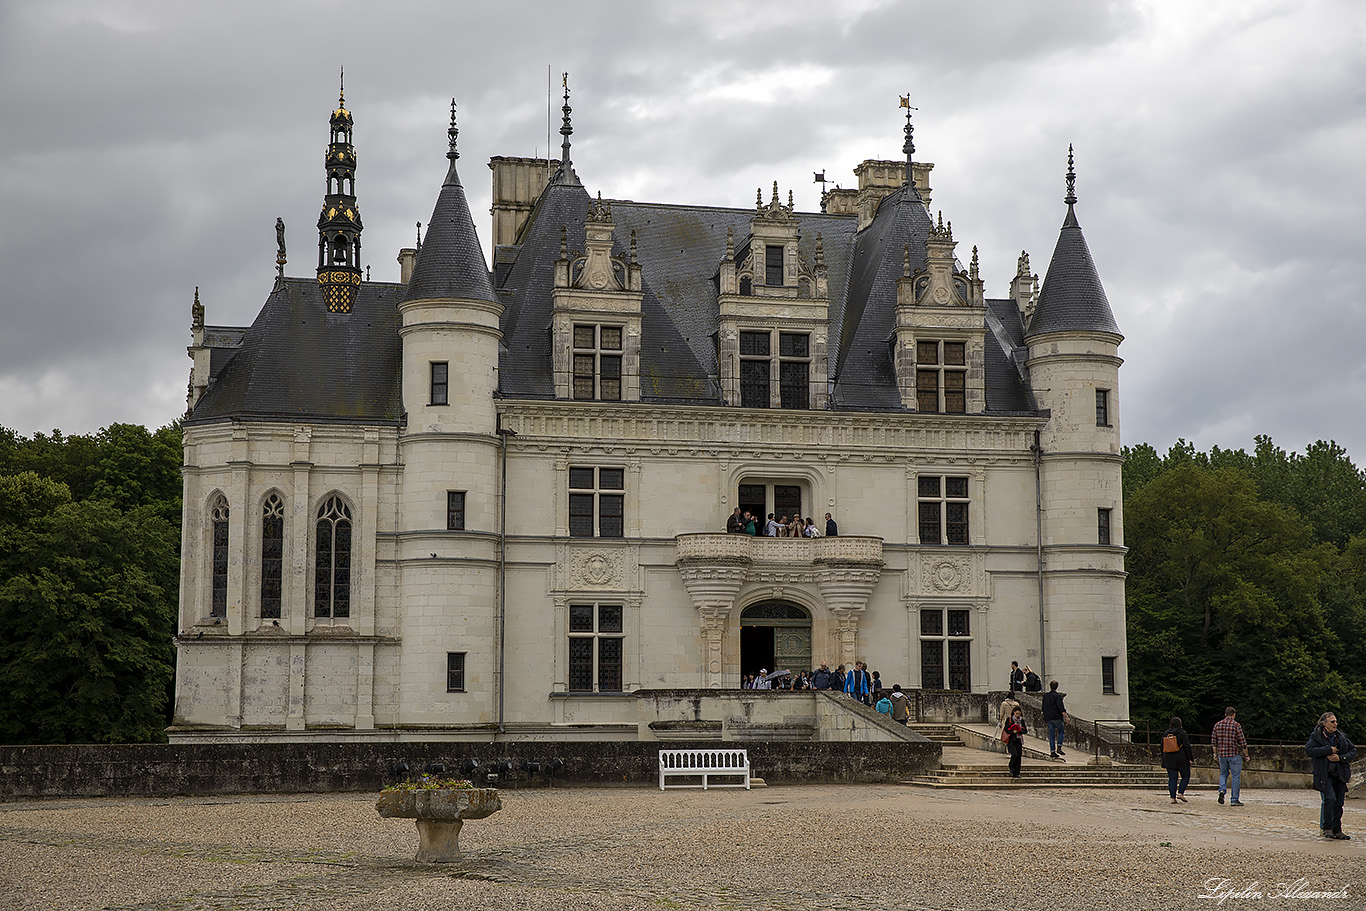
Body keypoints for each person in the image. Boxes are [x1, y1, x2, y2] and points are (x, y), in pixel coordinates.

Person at [1306, 712, 1356, 839]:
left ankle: (1337, 829)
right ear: (1324, 724)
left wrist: (1340, 758)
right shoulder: (1316, 736)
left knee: (1339, 802)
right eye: (1332, 722)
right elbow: (1309, 750)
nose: (1335, 724)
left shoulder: (1341, 737)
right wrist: (1329, 750)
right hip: (1324, 774)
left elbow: (1353, 750)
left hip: (1339, 773)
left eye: (1336, 721)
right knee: (1330, 799)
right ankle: (1327, 828)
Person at [1212, 706, 1250, 807]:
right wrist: (1246, 755)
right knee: (1235, 777)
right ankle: (1234, 799)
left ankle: (1222, 790)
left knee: (1223, 774)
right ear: (1234, 715)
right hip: (1233, 754)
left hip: (1221, 755)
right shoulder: (1236, 725)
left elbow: (1214, 742)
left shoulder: (1217, 725)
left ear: (1225, 714)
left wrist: (1215, 754)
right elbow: (1242, 741)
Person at [1161, 716, 1194, 804]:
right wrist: (1190, 758)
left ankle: (1172, 797)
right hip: (1181, 758)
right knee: (1186, 776)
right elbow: (1187, 746)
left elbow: (1162, 746)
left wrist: (1163, 756)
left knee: (1172, 779)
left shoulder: (1166, 733)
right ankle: (1180, 792)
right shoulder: (1182, 733)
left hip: (1168, 758)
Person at [1041, 680, 1068, 760]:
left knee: (1051, 735)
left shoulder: (1045, 696)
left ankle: (1052, 751)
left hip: (1049, 717)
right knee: (1061, 731)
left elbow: (1043, 707)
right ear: (1057, 686)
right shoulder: (1057, 696)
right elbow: (1060, 707)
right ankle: (1059, 746)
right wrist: (1066, 716)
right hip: (1056, 717)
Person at [1005, 707, 1027, 778]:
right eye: (1016, 713)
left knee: (1019, 756)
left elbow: (1025, 730)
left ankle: (1016, 773)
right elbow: (1006, 728)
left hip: (1019, 739)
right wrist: (1012, 731)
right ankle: (1011, 767)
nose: (1017, 715)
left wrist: (1019, 730)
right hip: (1011, 739)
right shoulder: (1009, 720)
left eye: (1019, 714)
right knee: (1014, 754)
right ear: (1014, 712)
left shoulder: (1021, 720)